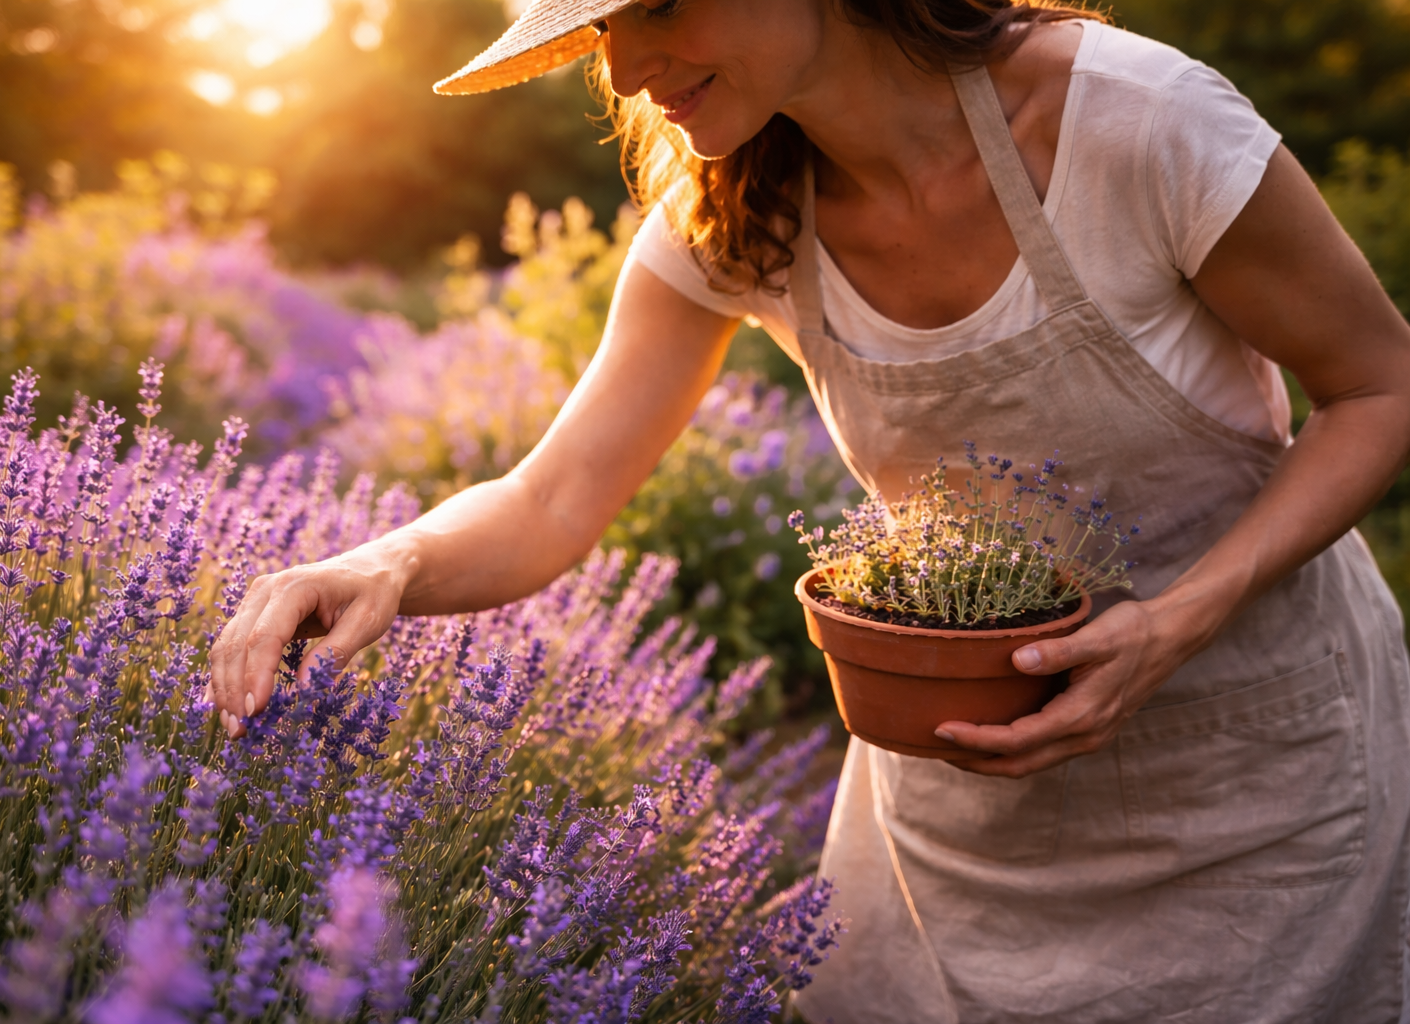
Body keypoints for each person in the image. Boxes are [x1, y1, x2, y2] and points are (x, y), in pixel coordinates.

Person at [209, 0, 1410, 1019]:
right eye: (597, 32)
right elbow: (554, 492)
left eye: (657, 6)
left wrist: (1180, 617)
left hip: (1257, 794)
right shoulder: (730, 210)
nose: (621, 69)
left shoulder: (1135, 122)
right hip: (958, 825)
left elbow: (1379, 387)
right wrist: (390, 561)